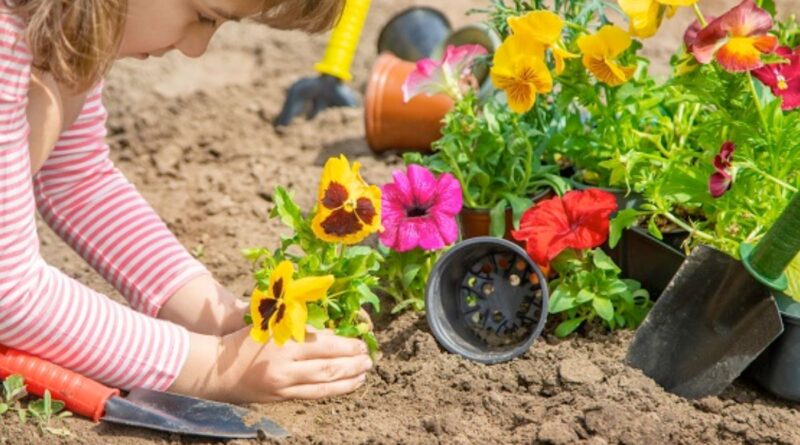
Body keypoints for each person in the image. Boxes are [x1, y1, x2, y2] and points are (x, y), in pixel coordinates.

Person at [0, 0, 373, 403]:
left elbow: (78, 180)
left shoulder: (67, 24)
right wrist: (207, 366)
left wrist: (217, 317)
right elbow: (10, 288)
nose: (196, 48)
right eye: (204, 16)